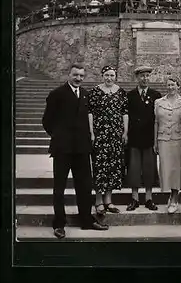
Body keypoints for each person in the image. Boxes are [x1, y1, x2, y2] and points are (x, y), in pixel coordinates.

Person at [42, 63, 109, 239]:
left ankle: (86, 220)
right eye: (75, 75)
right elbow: (47, 121)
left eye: (81, 76)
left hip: (81, 149)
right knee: (59, 188)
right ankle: (59, 224)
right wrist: (59, 136)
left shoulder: (86, 95)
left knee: (85, 187)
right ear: (69, 75)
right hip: (62, 150)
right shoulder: (56, 94)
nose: (78, 78)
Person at [88, 66, 128, 215]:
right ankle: (98, 201)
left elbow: (125, 113)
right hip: (100, 134)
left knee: (113, 166)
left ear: (115, 76)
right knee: (100, 166)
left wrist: (125, 132)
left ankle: (108, 200)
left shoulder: (121, 92)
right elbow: (90, 112)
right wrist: (91, 132)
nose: (109, 78)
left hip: (115, 135)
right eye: (106, 75)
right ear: (102, 76)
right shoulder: (95, 91)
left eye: (112, 75)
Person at [126, 66, 162, 211]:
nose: (145, 79)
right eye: (142, 76)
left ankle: (148, 198)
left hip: (149, 138)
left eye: (147, 76)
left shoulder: (156, 95)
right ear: (137, 78)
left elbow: (159, 118)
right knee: (133, 168)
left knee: (149, 168)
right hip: (134, 138)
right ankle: (134, 198)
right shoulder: (130, 95)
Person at [154, 76, 181, 213]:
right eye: (168, 85)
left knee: (176, 168)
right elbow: (156, 122)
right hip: (163, 139)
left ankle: (174, 197)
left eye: (173, 85)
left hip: (178, 138)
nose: (170, 87)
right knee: (166, 168)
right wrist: (155, 140)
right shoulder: (158, 102)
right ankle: (170, 194)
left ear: (178, 86)